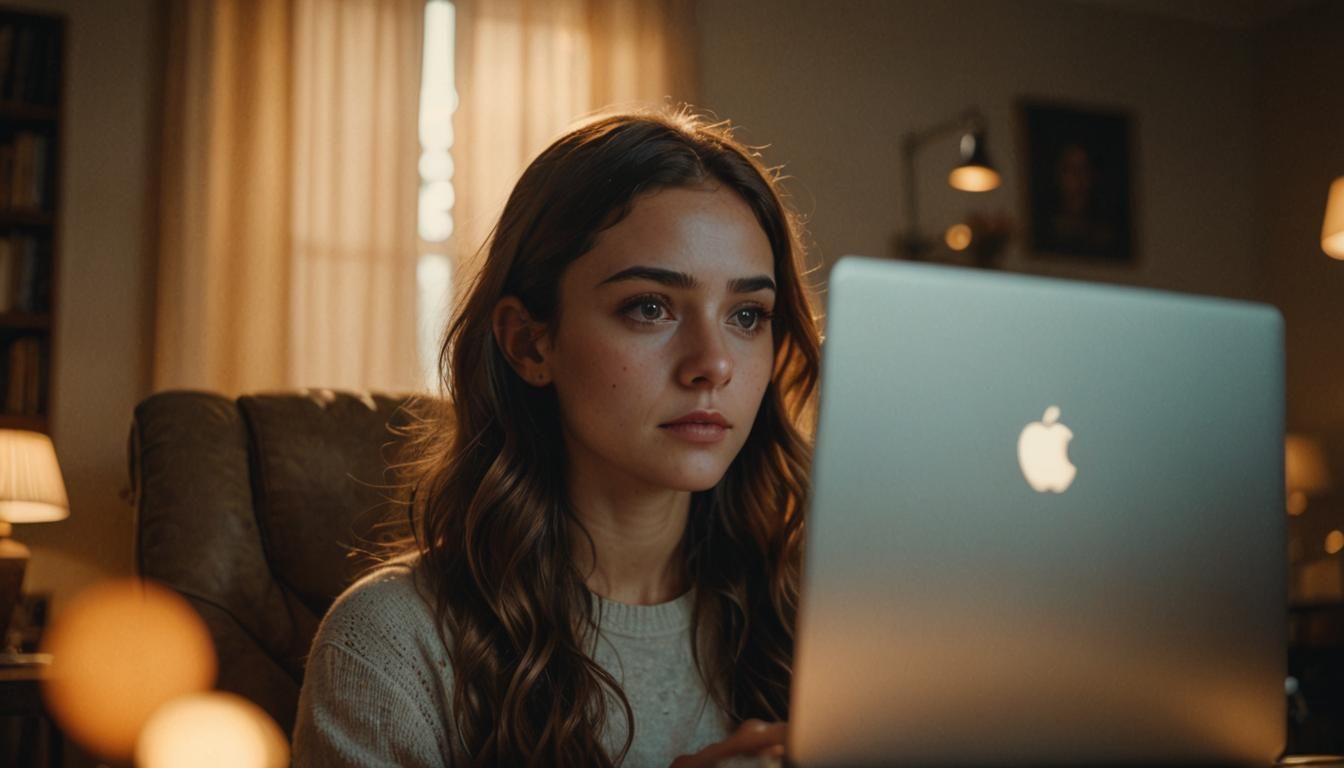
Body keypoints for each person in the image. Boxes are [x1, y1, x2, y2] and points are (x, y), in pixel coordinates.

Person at [291, 108, 821, 767]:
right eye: (650, 307)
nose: (713, 363)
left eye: (747, 315)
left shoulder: (821, 623)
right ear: (529, 343)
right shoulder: (393, 647)